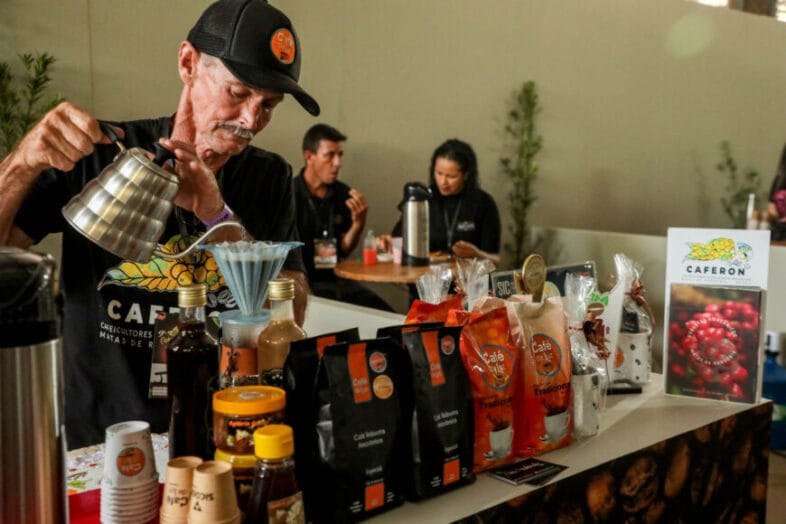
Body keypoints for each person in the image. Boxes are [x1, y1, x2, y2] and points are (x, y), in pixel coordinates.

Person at [0, 0, 318, 449]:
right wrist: (22, 162)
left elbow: (291, 314)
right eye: (238, 93)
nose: (251, 120)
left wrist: (217, 215)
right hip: (100, 441)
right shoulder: (99, 158)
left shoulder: (267, 178)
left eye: (268, 105)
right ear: (188, 63)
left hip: (222, 433)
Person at [293, 123, 393, 311]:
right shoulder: (289, 195)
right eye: (330, 155)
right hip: (301, 281)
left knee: (384, 314)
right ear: (309, 157)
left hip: (336, 279)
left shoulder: (344, 195)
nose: (337, 163)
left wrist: (358, 224)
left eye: (340, 155)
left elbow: (343, 250)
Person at [383, 138, 501, 265]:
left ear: (466, 175)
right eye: (439, 173)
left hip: (468, 275)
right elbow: (397, 240)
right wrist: (388, 242)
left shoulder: (483, 203)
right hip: (425, 274)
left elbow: (495, 260)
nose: (443, 182)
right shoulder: (423, 200)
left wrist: (477, 254)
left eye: (451, 176)